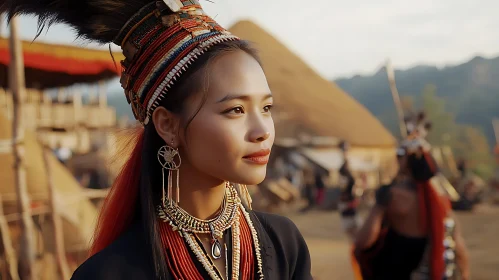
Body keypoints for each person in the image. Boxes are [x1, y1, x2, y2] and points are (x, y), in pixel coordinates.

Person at [2, 1, 313, 279]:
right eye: (235, 110)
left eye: (266, 108)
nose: (263, 129)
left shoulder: (284, 244)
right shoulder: (110, 273)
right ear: (167, 125)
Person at [351, 135, 470, 280]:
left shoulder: (393, 195)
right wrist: (465, 274)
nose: (397, 159)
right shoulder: (441, 200)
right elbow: (458, 246)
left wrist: (379, 206)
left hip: (394, 271)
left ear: (406, 162)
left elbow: (364, 241)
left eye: (400, 155)